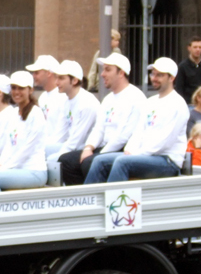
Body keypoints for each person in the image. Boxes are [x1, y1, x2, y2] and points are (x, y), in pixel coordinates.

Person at [85, 57, 189, 184]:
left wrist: (137, 153)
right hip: (145, 156)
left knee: (122, 162)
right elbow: (139, 132)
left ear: (171, 78)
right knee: (99, 161)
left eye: (160, 75)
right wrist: (130, 150)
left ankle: (113, 202)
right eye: (153, 74)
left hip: (167, 161)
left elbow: (164, 142)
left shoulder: (178, 104)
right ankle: (92, 201)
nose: (154, 78)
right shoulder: (151, 101)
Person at [59, 52, 146, 186]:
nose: (102, 74)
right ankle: (80, 198)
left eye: (107, 70)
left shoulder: (135, 97)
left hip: (123, 149)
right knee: (65, 161)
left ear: (121, 73)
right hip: (104, 147)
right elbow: (98, 129)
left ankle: (91, 199)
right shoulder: (108, 99)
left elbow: (123, 135)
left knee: (90, 162)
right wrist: (88, 148)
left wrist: (98, 154)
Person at [0, 71, 47, 193]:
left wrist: (4, 167)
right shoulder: (15, 113)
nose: (16, 92)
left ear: (30, 90)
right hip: (16, 169)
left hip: (34, 171)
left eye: (21, 88)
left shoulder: (36, 113)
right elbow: (8, 145)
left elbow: (27, 149)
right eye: (13, 88)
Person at [45, 60, 99, 186]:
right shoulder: (66, 101)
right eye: (57, 78)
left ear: (74, 81)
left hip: (85, 148)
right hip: (72, 145)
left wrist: (53, 158)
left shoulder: (87, 103)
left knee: (53, 160)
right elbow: (59, 136)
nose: (57, 82)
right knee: (43, 150)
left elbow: (76, 142)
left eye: (61, 78)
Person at [26, 54, 68, 148]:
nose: (33, 76)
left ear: (49, 73)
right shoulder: (43, 97)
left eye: (37, 72)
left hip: (58, 147)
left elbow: (61, 133)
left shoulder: (63, 97)